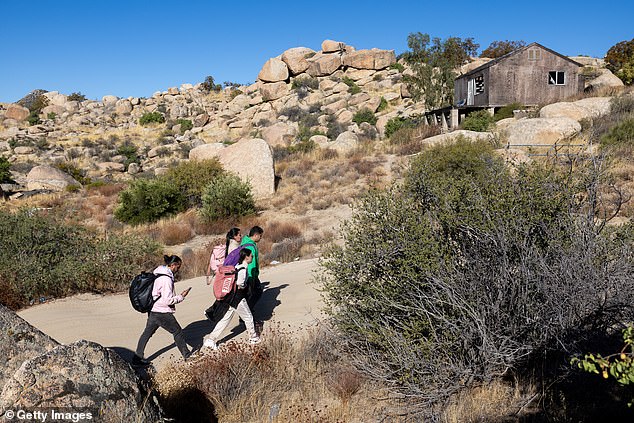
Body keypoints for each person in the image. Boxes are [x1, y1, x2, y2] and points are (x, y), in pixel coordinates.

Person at [133, 255, 192, 365]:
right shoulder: (166, 279)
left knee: (147, 333)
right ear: (173, 265)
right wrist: (181, 296)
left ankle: (137, 359)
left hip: (153, 310)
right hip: (162, 312)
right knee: (177, 331)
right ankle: (187, 356)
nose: (178, 269)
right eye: (178, 267)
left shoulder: (159, 274)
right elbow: (167, 301)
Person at [202, 248, 261, 350]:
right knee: (248, 317)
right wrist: (244, 287)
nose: (252, 257)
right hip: (238, 298)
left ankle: (210, 340)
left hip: (231, 298)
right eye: (251, 255)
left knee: (225, 320)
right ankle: (253, 338)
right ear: (246, 257)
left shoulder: (237, 267)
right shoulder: (243, 268)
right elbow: (240, 284)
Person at [241, 226, 264, 311]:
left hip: (247, 274)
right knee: (256, 293)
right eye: (260, 236)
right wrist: (252, 277)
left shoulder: (245, 241)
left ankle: (247, 312)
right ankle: (247, 313)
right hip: (250, 275)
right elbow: (251, 263)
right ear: (256, 235)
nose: (260, 238)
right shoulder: (250, 246)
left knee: (250, 295)